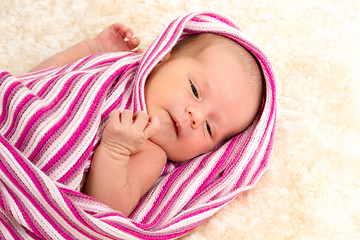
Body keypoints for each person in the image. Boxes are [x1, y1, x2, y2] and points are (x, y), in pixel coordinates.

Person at [30, 23, 263, 217]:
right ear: (162, 58)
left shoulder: (150, 151)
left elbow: (107, 206)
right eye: (194, 89)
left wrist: (115, 151)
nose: (197, 116)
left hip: (31, 183)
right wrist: (94, 48)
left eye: (210, 129)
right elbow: (39, 80)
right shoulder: (116, 68)